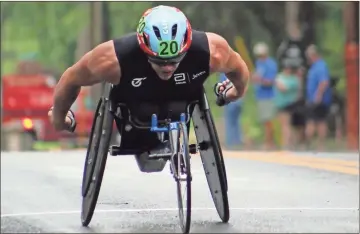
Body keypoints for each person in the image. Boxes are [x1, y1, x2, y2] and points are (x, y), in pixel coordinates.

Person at [48, 5, 249, 154]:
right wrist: (60, 118)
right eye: (159, 61)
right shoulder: (111, 59)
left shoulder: (212, 51)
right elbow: (71, 78)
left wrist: (234, 93)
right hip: (135, 109)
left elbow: (239, 69)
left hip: (183, 98)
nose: (168, 67)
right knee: (144, 153)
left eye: (175, 60)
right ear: (144, 50)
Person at [304, 45, 332, 150]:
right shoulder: (314, 66)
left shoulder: (321, 66)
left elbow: (324, 82)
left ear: (313, 55)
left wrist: (318, 95)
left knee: (316, 121)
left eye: (309, 56)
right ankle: (314, 144)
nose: (308, 58)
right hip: (313, 98)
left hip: (319, 100)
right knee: (317, 120)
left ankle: (316, 144)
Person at [252, 42, 278, 150]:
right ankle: (269, 142)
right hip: (260, 95)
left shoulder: (270, 64)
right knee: (264, 120)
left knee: (268, 120)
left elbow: (271, 81)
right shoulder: (259, 63)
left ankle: (269, 142)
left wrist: (260, 80)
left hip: (268, 95)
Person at [274, 62, 300, 149]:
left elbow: (283, 88)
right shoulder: (281, 77)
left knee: (286, 124)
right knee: (283, 124)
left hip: (288, 104)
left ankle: (286, 144)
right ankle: (290, 142)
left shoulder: (293, 79)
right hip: (280, 103)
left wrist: (279, 83)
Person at [219, 73, 243, 148]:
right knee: (236, 121)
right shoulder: (237, 71)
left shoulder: (224, 74)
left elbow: (222, 90)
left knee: (229, 122)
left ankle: (230, 143)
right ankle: (237, 141)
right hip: (239, 101)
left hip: (229, 101)